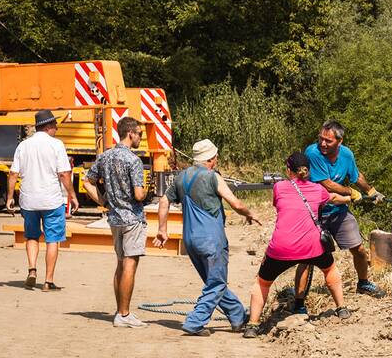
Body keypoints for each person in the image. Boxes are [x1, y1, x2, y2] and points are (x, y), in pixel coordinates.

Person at [154, 139, 260, 336]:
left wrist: (162, 229)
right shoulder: (212, 177)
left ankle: (237, 317)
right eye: (216, 156)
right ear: (211, 158)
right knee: (217, 283)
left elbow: (163, 201)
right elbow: (235, 203)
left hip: (190, 240)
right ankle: (194, 322)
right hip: (211, 239)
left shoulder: (181, 178)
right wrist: (249, 213)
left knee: (214, 281)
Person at [243, 152, 353, 338]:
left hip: (281, 247)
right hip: (312, 247)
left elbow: (278, 206)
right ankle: (342, 308)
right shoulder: (318, 190)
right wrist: (350, 197)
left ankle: (252, 325)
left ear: (288, 170)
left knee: (262, 282)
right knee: (330, 268)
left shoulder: (279, 187)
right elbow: (333, 198)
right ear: (308, 171)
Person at [293, 120, 385, 313]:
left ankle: (363, 282)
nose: (323, 144)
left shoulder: (346, 155)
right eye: (321, 139)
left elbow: (356, 175)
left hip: (338, 212)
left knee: (359, 249)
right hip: (314, 213)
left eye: (328, 141)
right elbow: (327, 184)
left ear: (340, 141)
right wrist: (350, 193)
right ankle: (299, 303)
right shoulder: (313, 153)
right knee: (308, 259)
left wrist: (371, 191)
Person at [84, 116, 149, 328]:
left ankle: (120, 310)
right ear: (130, 133)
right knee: (131, 263)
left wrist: (102, 200)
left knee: (120, 263)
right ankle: (124, 314)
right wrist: (147, 190)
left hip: (114, 218)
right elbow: (139, 195)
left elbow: (87, 182)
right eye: (139, 133)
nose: (141, 137)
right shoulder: (134, 160)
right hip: (132, 217)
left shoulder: (105, 157)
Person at [5, 109, 78, 291]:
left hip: (29, 201)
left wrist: (9, 197)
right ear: (47, 127)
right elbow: (63, 173)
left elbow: (13, 173)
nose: (56, 129)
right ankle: (48, 281)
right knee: (52, 239)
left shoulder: (23, 146)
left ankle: (32, 269)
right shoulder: (56, 145)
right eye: (54, 125)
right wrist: (72, 195)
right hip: (51, 201)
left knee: (31, 236)